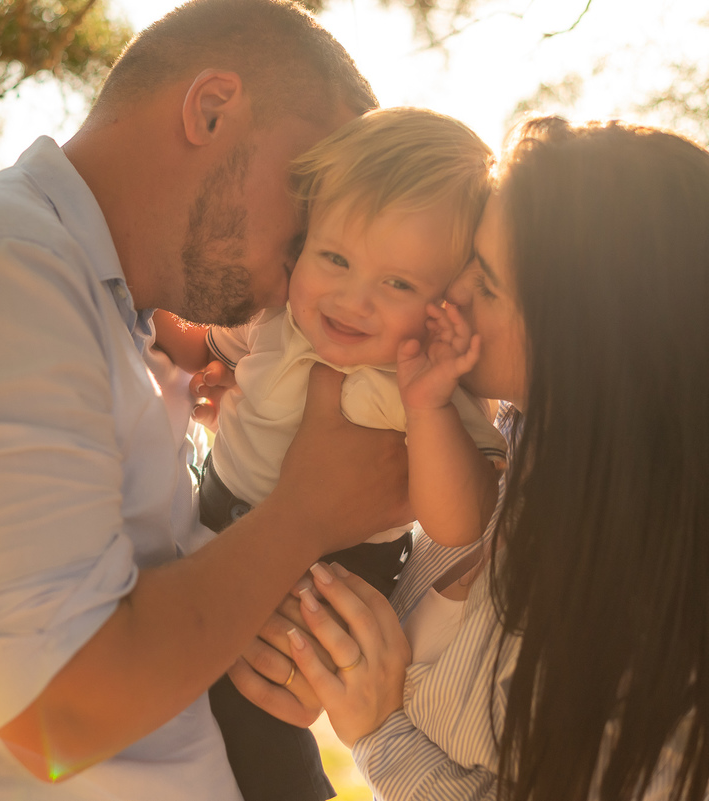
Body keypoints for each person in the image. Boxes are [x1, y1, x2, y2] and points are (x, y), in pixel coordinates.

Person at [0, 2, 413, 799]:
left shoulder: (113, 315)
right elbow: (62, 715)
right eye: (311, 197)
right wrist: (306, 512)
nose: (318, 254)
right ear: (211, 109)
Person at [239, 117, 709, 801]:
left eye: (488, 282)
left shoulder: (665, 633)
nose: (450, 291)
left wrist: (380, 731)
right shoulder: (506, 460)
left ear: (588, 331)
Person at [160, 107, 503, 801]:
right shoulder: (276, 318)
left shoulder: (417, 382)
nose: (353, 299)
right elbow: (191, 341)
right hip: (212, 518)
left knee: (255, 718)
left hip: (327, 574)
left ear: (444, 303)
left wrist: (428, 409)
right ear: (303, 244)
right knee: (175, 699)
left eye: (398, 283)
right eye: (336, 259)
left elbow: (459, 521)